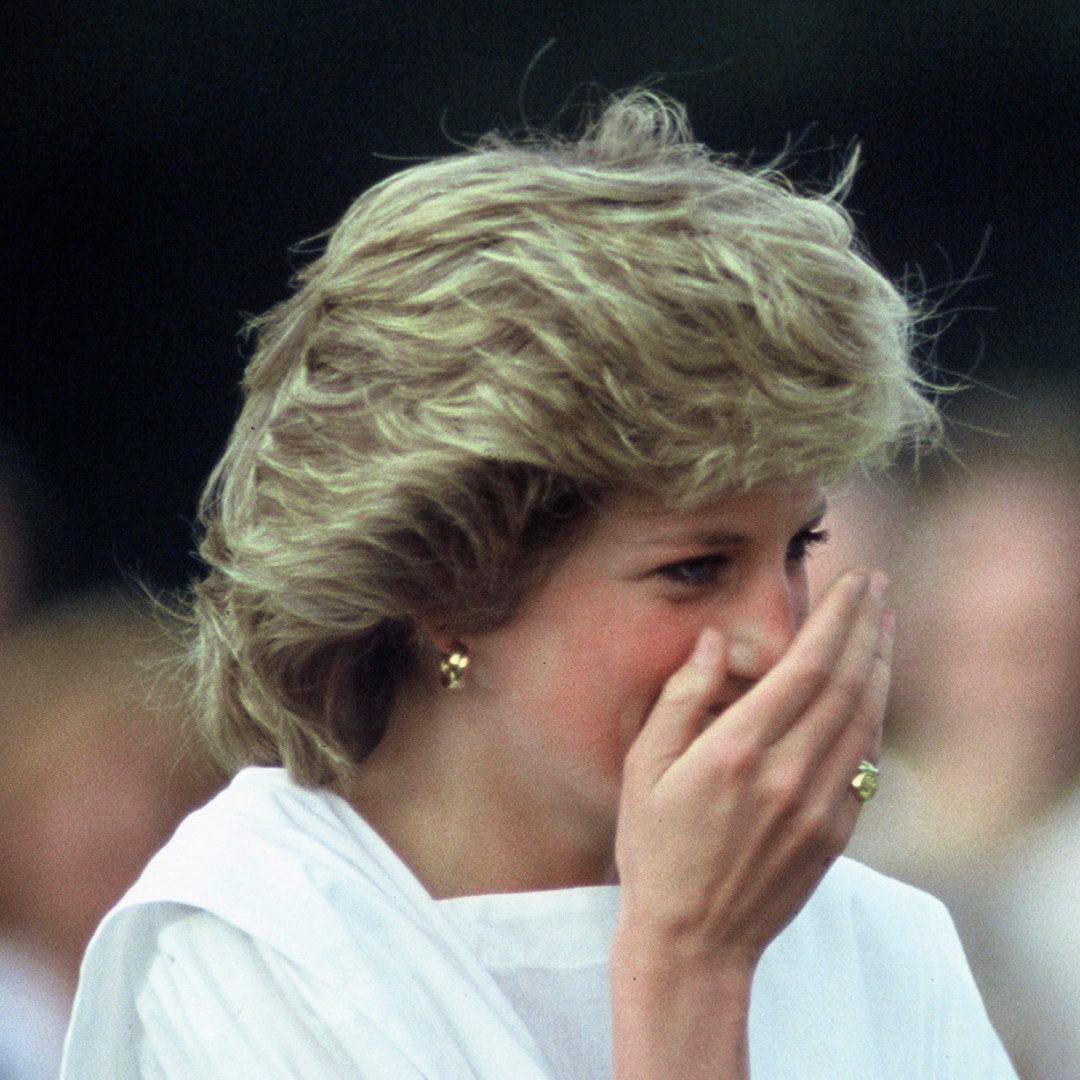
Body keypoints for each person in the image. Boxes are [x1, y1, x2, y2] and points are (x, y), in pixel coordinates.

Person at [60, 91, 1017, 1079]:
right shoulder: (253, 944)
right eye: (694, 570)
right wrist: (687, 970)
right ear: (445, 578)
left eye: (797, 547)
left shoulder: (882, 944)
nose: (777, 642)